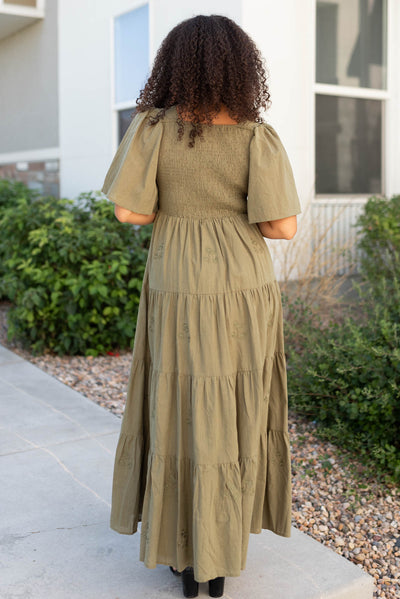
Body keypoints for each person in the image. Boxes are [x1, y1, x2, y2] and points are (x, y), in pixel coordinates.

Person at [101, 13, 301, 599]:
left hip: (176, 277)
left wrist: (177, 212)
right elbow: (282, 227)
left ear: (173, 65)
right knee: (234, 405)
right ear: (242, 69)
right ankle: (219, 553)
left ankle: (184, 553)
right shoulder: (255, 134)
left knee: (177, 401)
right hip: (242, 284)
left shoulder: (152, 128)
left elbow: (129, 212)